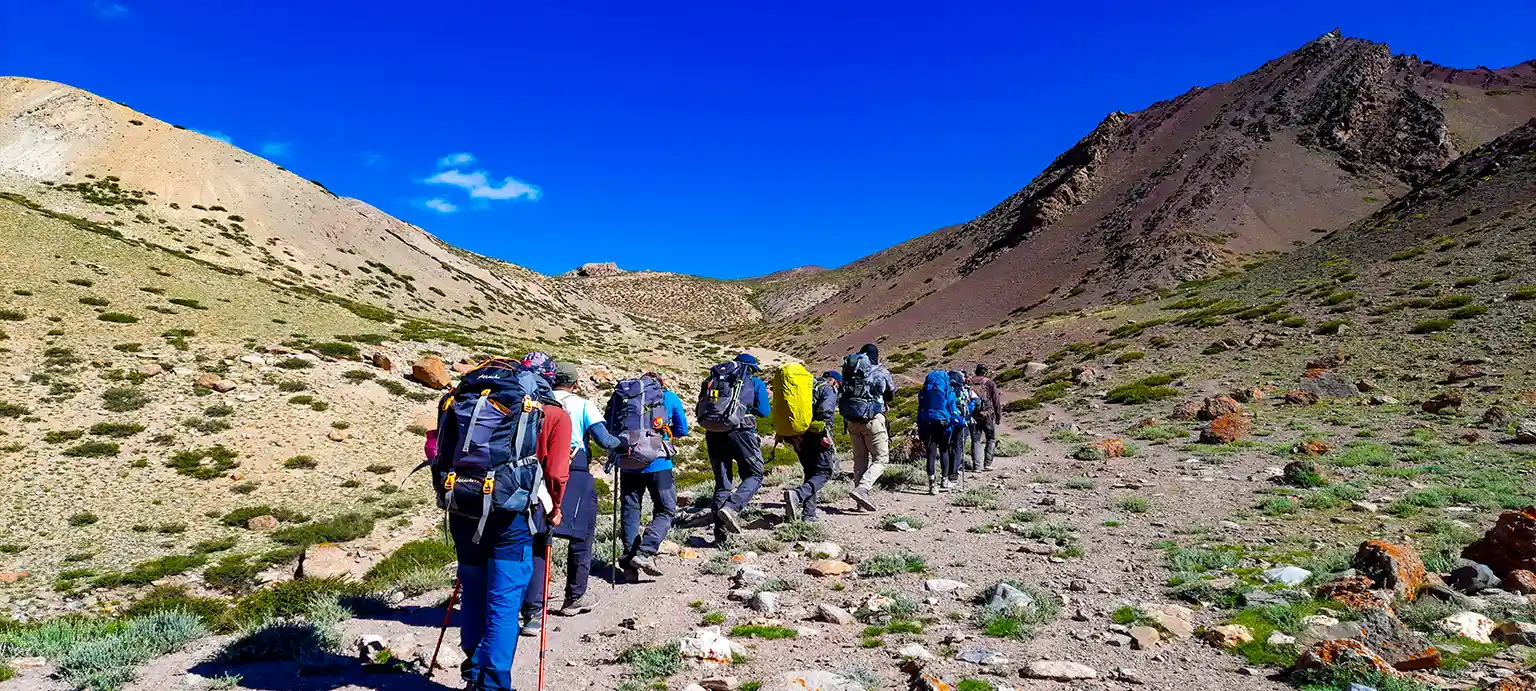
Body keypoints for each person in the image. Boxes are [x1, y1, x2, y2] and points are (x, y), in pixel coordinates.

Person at [438, 353, 571, 691]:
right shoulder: (542, 408)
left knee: (473, 592)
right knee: (505, 601)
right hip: (508, 513)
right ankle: (493, 683)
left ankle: (472, 670)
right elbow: (555, 472)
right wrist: (555, 507)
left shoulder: (461, 400)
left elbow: (438, 453)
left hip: (462, 507)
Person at [521, 362, 626, 637]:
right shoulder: (582, 404)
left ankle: (533, 609)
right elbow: (605, 440)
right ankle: (574, 597)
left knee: (539, 539)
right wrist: (624, 442)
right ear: (575, 383)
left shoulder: (533, 400)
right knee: (581, 537)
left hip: (533, 472)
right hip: (572, 470)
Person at [615, 372, 688, 578]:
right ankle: (645, 551)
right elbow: (683, 429)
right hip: (658, 462)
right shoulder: (669, 397)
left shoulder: (624, 398)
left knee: (630, 510)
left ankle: (629, 565)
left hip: (627, 461)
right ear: (660, 384)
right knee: (666, 509)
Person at [705, 353, 771, 539]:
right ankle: (732, 507)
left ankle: (720, 534)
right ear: (749, 368)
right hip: (742, 434)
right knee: (754, 474)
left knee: (723, 483)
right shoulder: (755, 382)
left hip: (714, 432)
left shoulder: (713, 379)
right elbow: (765, 411)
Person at [840, 343, 894, 511]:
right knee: (881, 459)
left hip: (851, 420)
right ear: (876, 355)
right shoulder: (880, 371)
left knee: (860, 460)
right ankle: (863, 488)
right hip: (872, 419)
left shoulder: (851, 370)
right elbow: (890, 394)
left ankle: (860, 504)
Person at [784, 370, 839, 522]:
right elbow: (825, 411)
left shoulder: (805, 387)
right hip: (815, 436)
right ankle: (797, 495)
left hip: (797, 434)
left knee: (810, 472)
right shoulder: (828, 388)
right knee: (824, 472)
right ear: (834, 381)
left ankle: (809, 514)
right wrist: (825, 432)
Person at [917, 370, 956, 495]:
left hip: (927, 421)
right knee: (944, 450)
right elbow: (952, 407)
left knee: (931, 452)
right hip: (943, 422)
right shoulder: (947, 390)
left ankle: (932, 485)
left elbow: (920, 406)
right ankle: (944, 480)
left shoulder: (924, 391)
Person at [967, 364, 1002, 471]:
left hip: (973, 415)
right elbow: (996, 400)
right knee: (990, 438)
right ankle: (987, 463)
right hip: (987, 415)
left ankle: (976, 466)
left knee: (976, 440)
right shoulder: (989, 383)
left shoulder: (969, 382)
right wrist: (998, 415)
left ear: (976, 371)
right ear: (985, 372)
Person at [945, 370, 972, 488]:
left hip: (947, 421)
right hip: (961, 422)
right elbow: (974, 403)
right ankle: (953, 476)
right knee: (958, 447)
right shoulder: (965, 391)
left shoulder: (945, 391)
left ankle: (945, 475)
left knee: (946, 447)